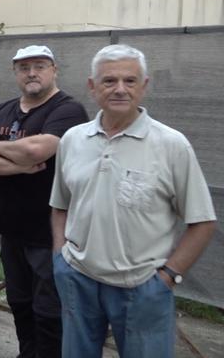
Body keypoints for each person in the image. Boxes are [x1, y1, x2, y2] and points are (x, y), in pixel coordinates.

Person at [50, 44, 216, 358]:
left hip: (142, 287)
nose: (120, 89)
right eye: (109, 81)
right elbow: (60, 204)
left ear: (144, 85)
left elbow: (203, 222)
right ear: (92, 86)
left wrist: (168, 277)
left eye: (130, 81)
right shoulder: (72, 139)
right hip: (78, 280)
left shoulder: (171, 145)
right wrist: (61, 256)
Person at [0, 45, 88, 358]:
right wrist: (20, 164)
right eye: (24, 67)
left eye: (39, 66)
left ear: (54, 70)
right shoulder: (6, 108)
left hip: (50, 233)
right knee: (19, 304)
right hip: (11, 229)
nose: (32, 73)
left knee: (49, 311)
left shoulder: (68, 109)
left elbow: (40, 150)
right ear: (16, 73)